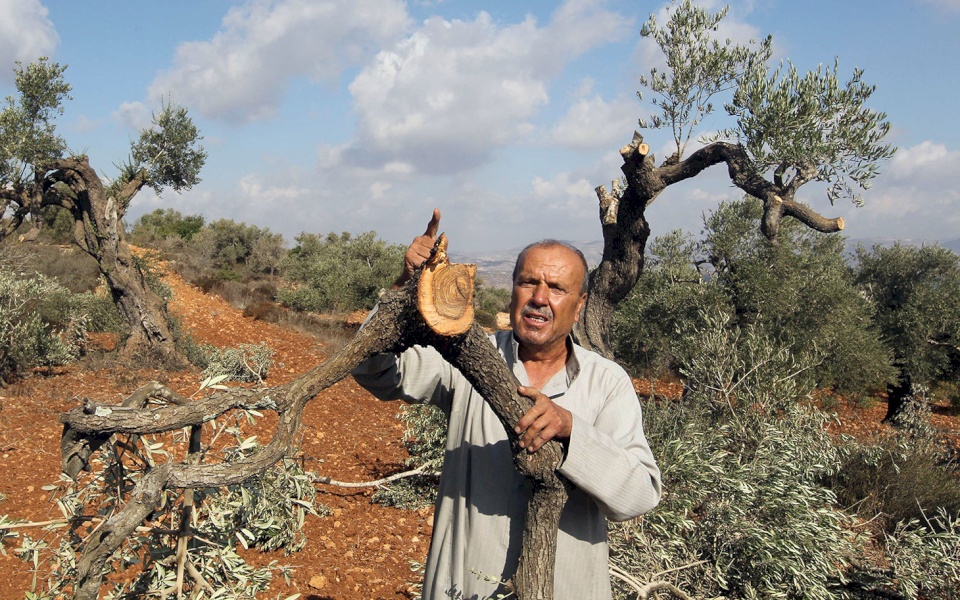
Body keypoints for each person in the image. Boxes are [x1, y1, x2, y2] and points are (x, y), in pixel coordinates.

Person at [352, 209, 661, 599]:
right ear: (512, 289)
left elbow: (638, 495)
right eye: (528, 282)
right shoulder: (464, 354)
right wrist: (405, 290)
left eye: (557, 288)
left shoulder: (606, 382)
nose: (539, 299)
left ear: (579, 305)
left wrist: (572, 431)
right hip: (462, 586)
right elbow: (371, 368)